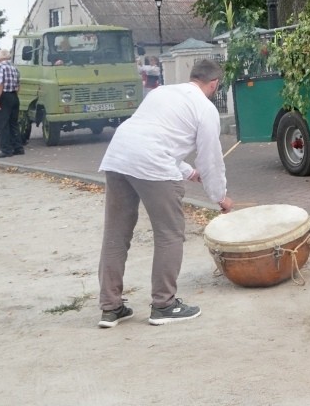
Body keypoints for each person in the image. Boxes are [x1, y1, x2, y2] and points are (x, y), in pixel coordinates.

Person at [97, 58, 232, 328]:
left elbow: (154, 133)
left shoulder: (162, 92)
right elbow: (210, 159)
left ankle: (110, 308)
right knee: (169, 233)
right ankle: (164, 304)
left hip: (118, 155)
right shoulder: (205, 108)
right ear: (215, 84)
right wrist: (220, 196)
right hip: (152, 163)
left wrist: (188, 171)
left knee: (116, 234)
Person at [0, 49, 23, 158]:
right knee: (13, 124)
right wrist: (14, 95)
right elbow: (18, 85)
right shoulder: (14, 68)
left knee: (1, 124)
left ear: (0, 57)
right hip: (13, 96)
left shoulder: (0, 67)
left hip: (4, 96)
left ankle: (6, 150)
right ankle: (18, 147)